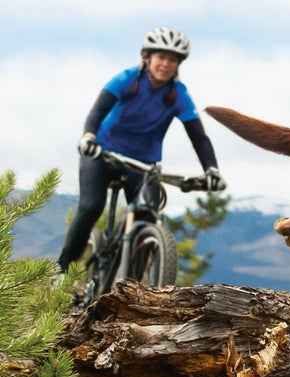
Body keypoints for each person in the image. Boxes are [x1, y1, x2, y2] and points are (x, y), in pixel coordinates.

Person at [57, 27, 222, 273]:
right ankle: (61, 273)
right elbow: (98, 112)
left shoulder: (179, 95)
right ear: (147, 57)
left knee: (148, 216)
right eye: (161, 57)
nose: (166, 64)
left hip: (143, 165)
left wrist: (211, 169)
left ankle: (132, 287)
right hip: (103, 155)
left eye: (173, 59)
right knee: (91, 207)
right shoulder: (125, 79)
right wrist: (89, 137)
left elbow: (198, 136)